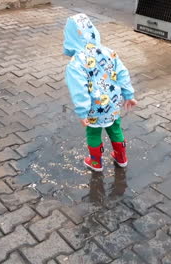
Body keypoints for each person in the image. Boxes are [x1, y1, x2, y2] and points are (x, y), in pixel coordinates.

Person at [63, 13, 137, 171]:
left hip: (94, 108)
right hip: (113, 102)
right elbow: (123, 73)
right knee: (115, 128)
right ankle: (121, 158)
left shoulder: (76, 64)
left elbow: (79, 90)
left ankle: (96, 162)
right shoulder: (109, 52)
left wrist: (82, 112)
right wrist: (128, 95)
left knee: (93, 133)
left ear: (70, 37)